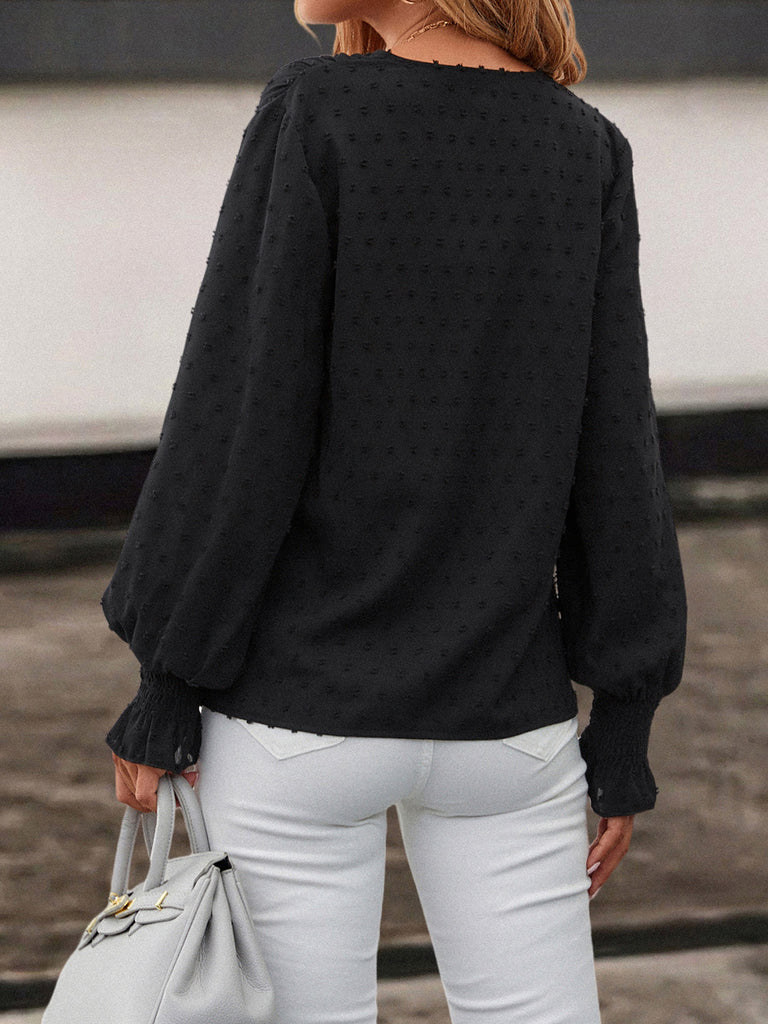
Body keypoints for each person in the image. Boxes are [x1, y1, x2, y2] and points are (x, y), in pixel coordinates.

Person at [104, 1, 687, 1021]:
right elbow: (617, 452)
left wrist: (168, 676)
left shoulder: (316, 111)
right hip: (510, 726)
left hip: (296, 719)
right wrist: (624, 724)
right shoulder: (586, 148)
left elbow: (241, 417)